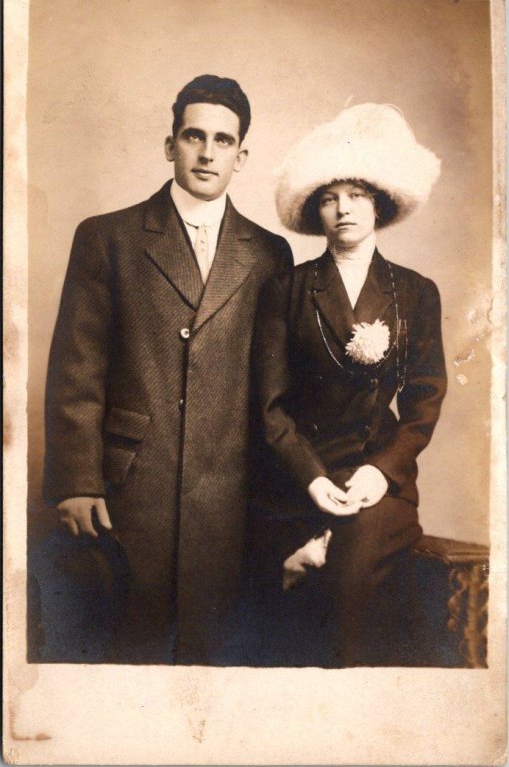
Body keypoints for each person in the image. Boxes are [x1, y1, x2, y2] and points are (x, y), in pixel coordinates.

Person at [42, 74, 293, 665]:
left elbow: (273, 387)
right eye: (193, 136)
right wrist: (77, 480)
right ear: (169, 144)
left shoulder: (268, 252)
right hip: (129, 488)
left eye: (223, 141)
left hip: (230, 492)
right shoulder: (109, 237)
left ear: (242, 155)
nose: (207, 153)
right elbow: (77, 368)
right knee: (124, 654)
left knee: (214, 662)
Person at [251, 103, 447, 667]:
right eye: (330, 196)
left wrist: (381, 471)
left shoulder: (415, 291)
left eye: (356, 194)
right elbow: (270, 407)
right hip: (300, 475)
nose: (344, 208)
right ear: (316, 209)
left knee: (351, 576)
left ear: (379, 203)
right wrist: (311, 478)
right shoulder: (286, 290)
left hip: (376, 474)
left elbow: (423, 399)